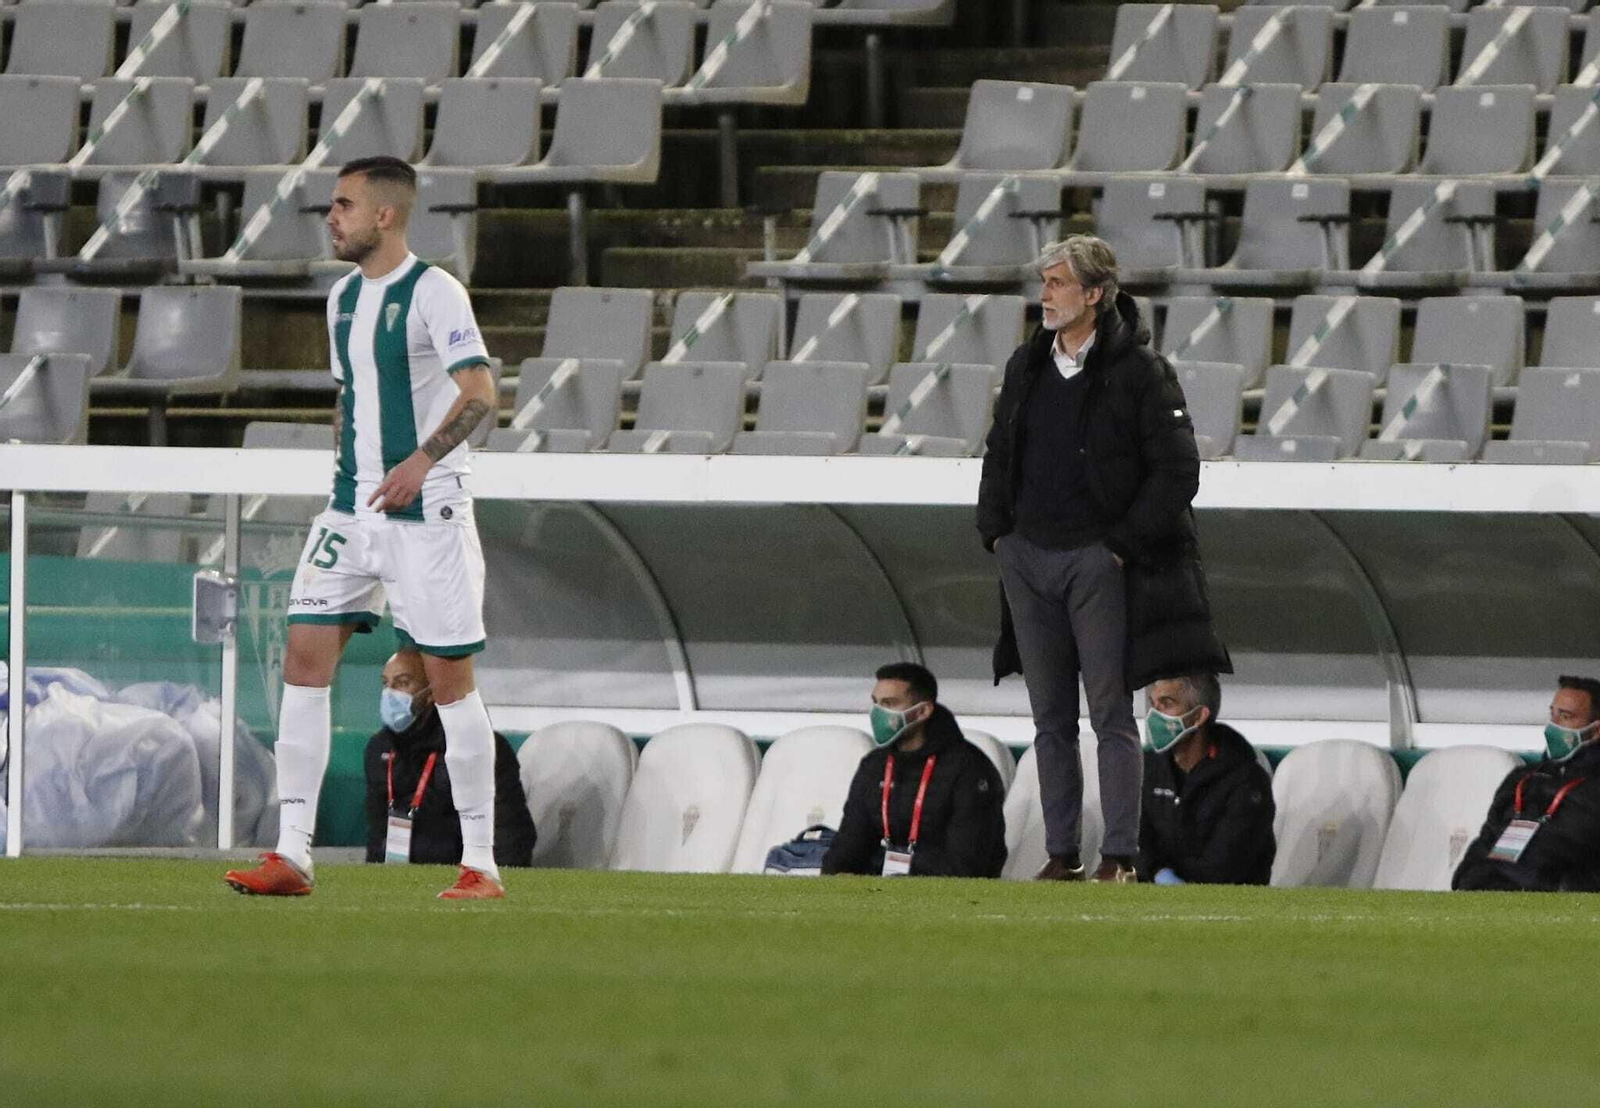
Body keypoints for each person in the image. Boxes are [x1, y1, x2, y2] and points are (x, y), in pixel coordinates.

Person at [225, 156, 503, 900]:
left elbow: (481, 392)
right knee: (302, 660)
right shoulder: (343, 299)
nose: (332, 217)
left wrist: (420, 461)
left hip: (427, 511)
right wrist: (346, 475)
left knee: (448, 684)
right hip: (351, 510)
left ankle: (481, 863)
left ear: (385, 213)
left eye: (344, 204)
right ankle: (292, 854)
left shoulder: (435, 292)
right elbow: (351, 397)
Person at [977, 235, 1230, 884]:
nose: (1045, 295)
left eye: (1057, 283)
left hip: (1098, 563)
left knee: (1110, 713)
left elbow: (1178, 470)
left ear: (1094, 294)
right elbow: (999, 453)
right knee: (1049, 718)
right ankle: (1061, 854)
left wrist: (1119, 547)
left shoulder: (1141, 371)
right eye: (1044, 282)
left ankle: (1119, 854)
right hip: (1028, 558)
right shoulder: (1026, 365)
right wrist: (998, 535)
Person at [822, 663, 1006, 879]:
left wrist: (889, 872)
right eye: (876, 703)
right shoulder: (874, 765)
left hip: (947, 893)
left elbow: (965, 866)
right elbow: (847, 849)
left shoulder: (970, 768)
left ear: (922, 711)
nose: (878, 713)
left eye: (889, 703)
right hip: (883, 887)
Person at [364, 649, 536, 868]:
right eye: (386, 684)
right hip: (399, 878)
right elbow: (378, 834)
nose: (390, 693)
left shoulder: (477, 746)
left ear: (432, 691)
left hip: (461, 877)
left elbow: (509, 836)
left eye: (403, 683)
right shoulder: (379, 748)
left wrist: (489, 882)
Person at [1453, 675, 1600, 892]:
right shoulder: (1522, 778)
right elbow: (1487, 838)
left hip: (1548, 902)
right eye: (1552, 714)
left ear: (1595, 730)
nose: (1553, 726)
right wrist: (1467, 878)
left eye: (1565, 716)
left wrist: (1559, 891)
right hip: (1488, 889)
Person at [1136, 673, 1274, 886]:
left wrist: (1162, 870)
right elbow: (1136, 844)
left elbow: (1224, 867)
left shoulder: (1247, 781)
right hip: (1156, 896)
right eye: (1153, 704)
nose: (1154, 714)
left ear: (1199, 716)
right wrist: (1158, 872)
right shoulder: (1147, 769)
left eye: (1167, 703)